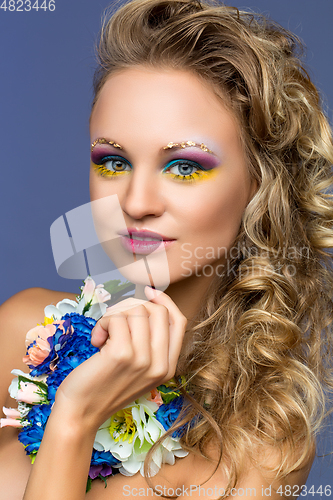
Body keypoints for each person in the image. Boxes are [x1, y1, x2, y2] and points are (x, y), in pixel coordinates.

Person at [1, 0, 332, 498]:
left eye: (185, 167)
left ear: (261, 185)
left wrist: (75, 423)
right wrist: (73, 415)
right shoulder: (23, 336)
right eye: (113, 161)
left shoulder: (263, 449)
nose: (135, 203)